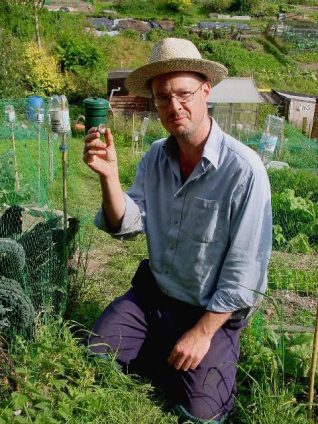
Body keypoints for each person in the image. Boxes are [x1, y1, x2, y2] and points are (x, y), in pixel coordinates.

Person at [83, 37, 272, 424]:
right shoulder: (155, 157)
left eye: (183, 93)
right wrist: (109, 177)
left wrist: (202, 333)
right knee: (95, 351)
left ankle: (190, 354)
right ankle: (163, 349)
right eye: (163, 98)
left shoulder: (244, 170)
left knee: (201, 413)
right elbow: (127, 223)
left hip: (209, 310)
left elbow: (246, 271)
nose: (174, 106)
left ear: (206, 90)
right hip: (155, 296)